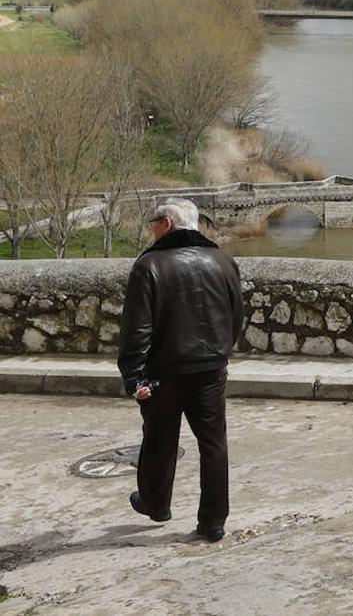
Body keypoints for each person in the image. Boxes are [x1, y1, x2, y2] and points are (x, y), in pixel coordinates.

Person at [117, 198, 244, 543]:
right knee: (213, 444)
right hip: (210, 370)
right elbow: (236, 319)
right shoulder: (223, 260)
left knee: (159, 438)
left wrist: (134, 376)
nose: (151, 228)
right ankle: (213, 522)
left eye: (153, 221)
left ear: (167, 224)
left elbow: (136, 329)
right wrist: (220, 353)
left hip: (164, 371)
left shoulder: (150, 266)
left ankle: (157, 504)